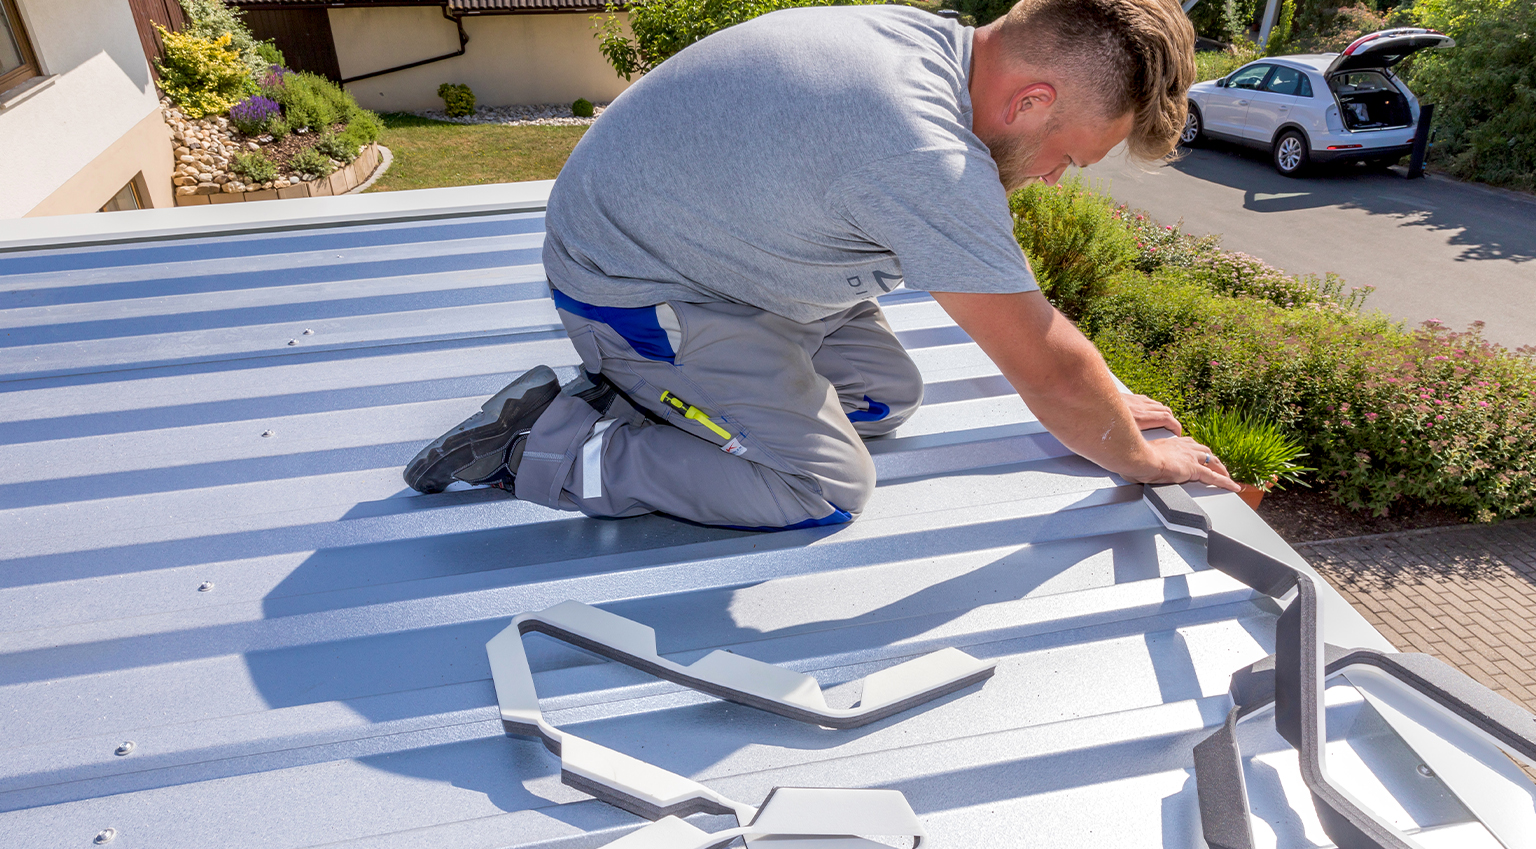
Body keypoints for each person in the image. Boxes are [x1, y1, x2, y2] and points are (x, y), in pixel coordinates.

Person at [404, 0, 1241, 528]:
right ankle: (537, 446)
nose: (1055, 179)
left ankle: (653, 396)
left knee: (885, 397)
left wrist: (1099, 402)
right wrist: (1136, 454)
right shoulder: (924, 152)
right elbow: (1046, 366)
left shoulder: (926, 40)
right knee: (820, 489)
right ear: (1032, 102)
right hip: (641, 291)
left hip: (722, 256)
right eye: (1069, 157)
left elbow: (1033, 334)